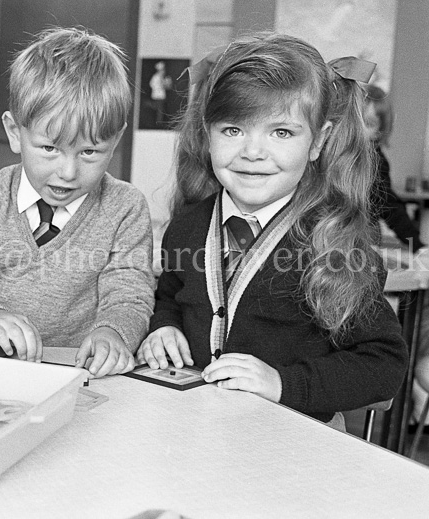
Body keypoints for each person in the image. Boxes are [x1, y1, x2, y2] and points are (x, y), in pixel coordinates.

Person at [139, 33, 408, 429]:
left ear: (317, 141)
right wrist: (164, 326)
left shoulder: (334, 244)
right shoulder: (186, 228)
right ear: (207, 133)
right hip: (195, 431)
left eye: (281, 132)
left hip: (295, 442)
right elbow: (170, 297)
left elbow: (382, 363)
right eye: (233, 130)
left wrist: (282, 383)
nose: (253, 152)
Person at [0, 27, 155, 378]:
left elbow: (129, 296)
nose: (68, 173)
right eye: (49, 148)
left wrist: (113, 333)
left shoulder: (126, 208)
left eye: (89, 152)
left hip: (81, 377)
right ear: (15, 133)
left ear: (116, 139)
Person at [363, 84, 423, 251]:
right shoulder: (328, 152)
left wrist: (416, 245)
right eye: (353, 120)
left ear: (378, 132)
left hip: (361, 235)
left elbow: (390, 206)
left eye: (368, 124)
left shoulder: (376, 163)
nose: (358, 129)